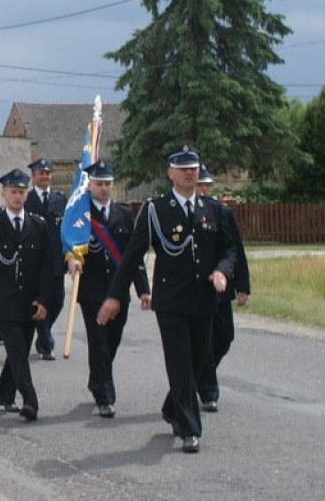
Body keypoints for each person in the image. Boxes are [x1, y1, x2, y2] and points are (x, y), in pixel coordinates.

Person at [97, 146, 236, 453]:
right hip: (171, 300)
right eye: (183, 168)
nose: (190, 172)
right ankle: (190, 429)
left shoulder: (212, 209)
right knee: (180, 363)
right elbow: (132, 256)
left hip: (203, 299)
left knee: (199, 362)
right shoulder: (155, 209)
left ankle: (173, 408)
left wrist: (222, 271)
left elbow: (229, 250)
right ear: (170, 173)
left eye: (194, 167)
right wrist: (114, 297)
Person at [73, 160, 150, 417]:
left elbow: (133, 256)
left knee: (113, 341)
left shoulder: (124, 214)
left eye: (107, 184)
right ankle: (105, 397)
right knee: (99, 343)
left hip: (118, 292)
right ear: (90, 185)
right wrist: (70, 261)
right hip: (92, 291)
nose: (104, 188)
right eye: (99, 184)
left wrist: (143, 289)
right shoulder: (80, 215)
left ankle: (97, 379)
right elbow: (68, 244)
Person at [0, 168, 53, 421]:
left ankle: (4, 394)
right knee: (18, 351)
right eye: (13, 192)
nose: (18, 197)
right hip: (4, 301)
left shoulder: (38, 225)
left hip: (29, 302)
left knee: (17, 351)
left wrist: (43, 299)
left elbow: (46, 267)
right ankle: (30, 402)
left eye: (22, 192)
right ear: (4, 194)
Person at [196, 164, 250, 412]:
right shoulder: (188, 213)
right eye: (200, 185)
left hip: (221, 289)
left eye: (208, 185)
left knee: (225, 337)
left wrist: (242, 285)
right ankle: (209, 391)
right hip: (198, 289)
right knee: (204, 342)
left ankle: (201, 373)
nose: (205, 189)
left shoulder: (222, 212)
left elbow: (235, 249)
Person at [24, 158, 67, 361]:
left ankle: (43, 331)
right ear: (33, 176)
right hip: (34, 261)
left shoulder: (60, 199)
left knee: (57, 301)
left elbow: (66, 229)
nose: (45, 177)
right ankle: (46, 344)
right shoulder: (26, 199)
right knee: (40, 301)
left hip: (56, 260)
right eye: (41, 173)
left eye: (48, 173)